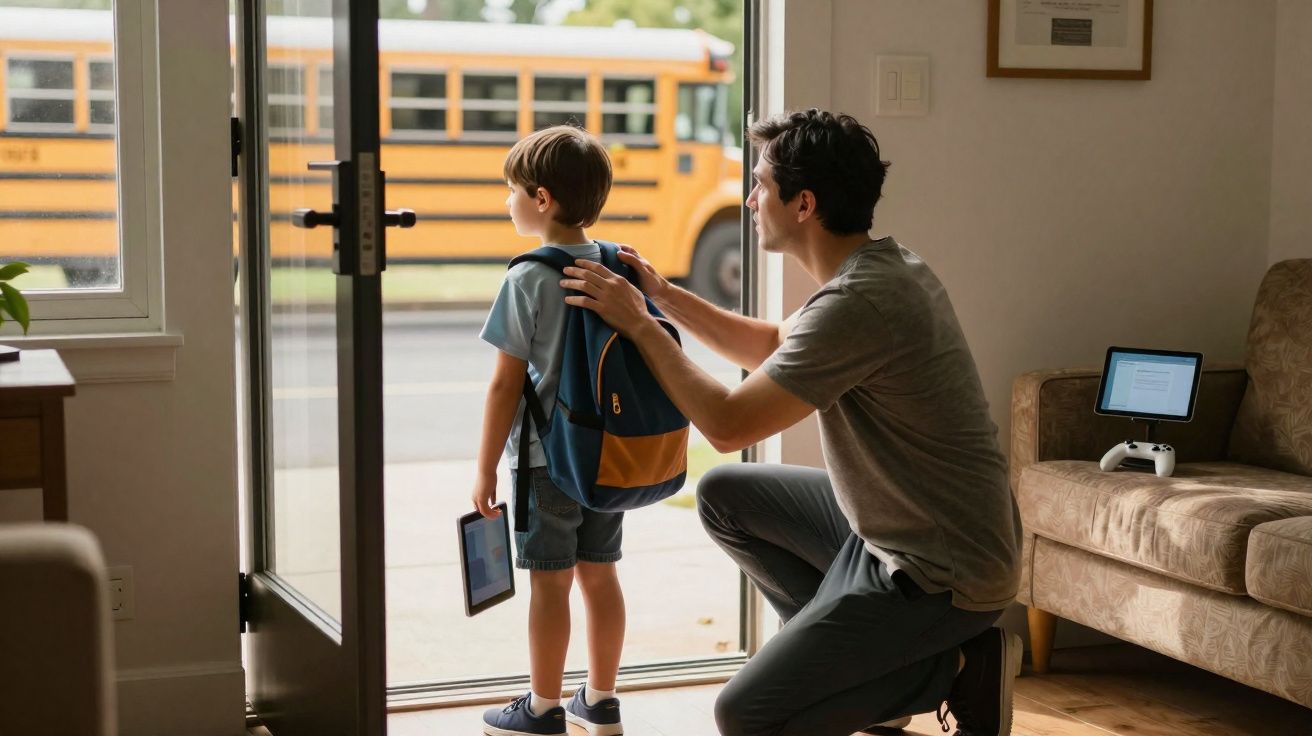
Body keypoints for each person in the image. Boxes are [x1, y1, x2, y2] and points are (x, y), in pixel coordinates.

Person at [556, 109, 1025, 736]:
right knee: (725, 497)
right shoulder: (880, 269)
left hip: (942, 571)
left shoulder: (861, 302)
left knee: (747, 715)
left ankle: (960, 665)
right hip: (891, 532)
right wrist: (660, 295)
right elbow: (776, 344)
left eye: (760, 184)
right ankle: (864, 671)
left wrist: (640, 327)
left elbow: (726, 424)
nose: (750, 199)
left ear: (803, 203)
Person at [474, 125, 627, 736]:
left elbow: (504, 385)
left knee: (550, 585)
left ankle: (541, 708)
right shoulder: (615, 264)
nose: (506, 201)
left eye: (511, 190)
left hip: (546, 462)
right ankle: (603, 699)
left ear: (541, 199)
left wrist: (485, 465)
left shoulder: (527, 278)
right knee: (602, 574)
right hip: (607, 459)